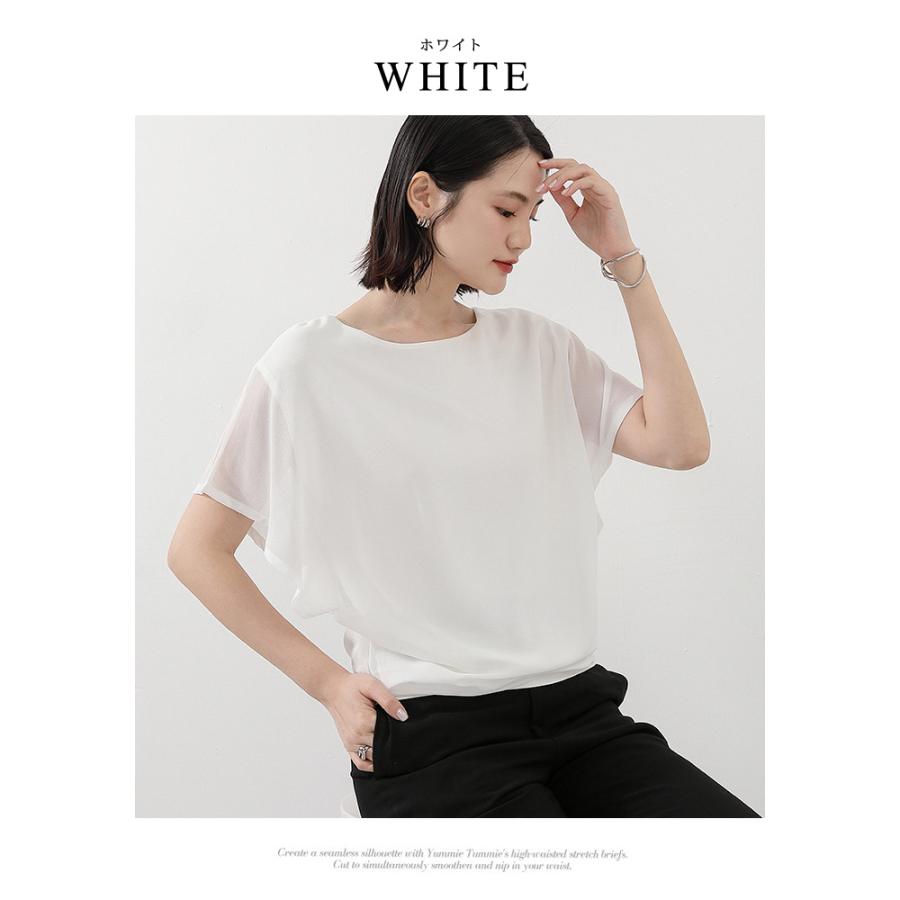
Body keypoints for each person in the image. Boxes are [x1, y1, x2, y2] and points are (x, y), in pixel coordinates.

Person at [167, 115, 760, 818]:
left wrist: (621, 255)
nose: (524, 238)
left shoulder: (537, 348)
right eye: (506, 210)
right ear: (425, 195)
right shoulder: (308, 366)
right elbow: (196, 550)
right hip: (433, 733)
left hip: (580, 713)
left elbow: (680, 444)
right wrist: (327, 683)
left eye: (533, 215)